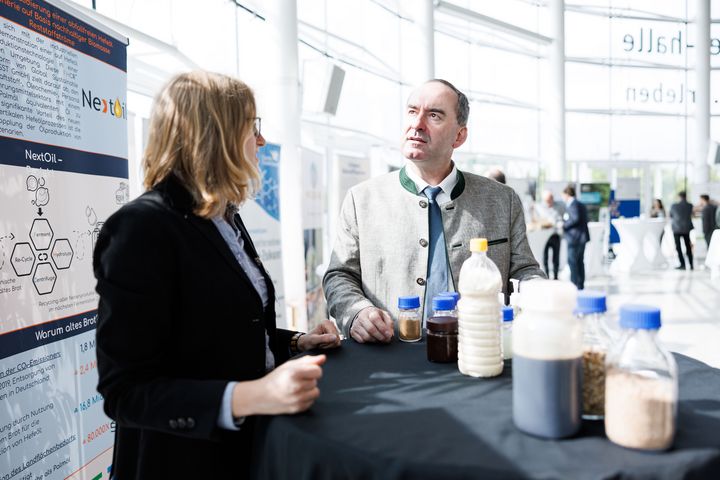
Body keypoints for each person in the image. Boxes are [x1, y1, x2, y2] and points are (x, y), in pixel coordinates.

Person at [93, 71, 341, 478]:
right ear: (216, 134)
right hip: (181, 462)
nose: (261, 141)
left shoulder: (223, 217)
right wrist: (252, 395)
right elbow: (126, 391)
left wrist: (295, 341)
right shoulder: (141, 228)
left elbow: (217, 331)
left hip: (243, 451)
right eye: (252, 126)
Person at [323, 79, 545, 343]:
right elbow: (339, 275)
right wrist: (357, 312)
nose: (417, 124)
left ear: (459, 136)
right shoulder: (362, 200)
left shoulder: (501, 200)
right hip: (392, 353)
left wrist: (546, 297)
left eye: (434, 115)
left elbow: (524, 272)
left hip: (479, 348)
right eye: (412, 111)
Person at [561, 184, 589, 290]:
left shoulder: (573, 204)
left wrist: (564, 224)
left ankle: (574, 285)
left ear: (567, 194)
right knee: (579, 262)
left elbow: (575, 218)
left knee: (573, 262)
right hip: (581, 238)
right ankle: (580, 285)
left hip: (575, 239)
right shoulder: (580, 204)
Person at [535, 190, 566, 280]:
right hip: (544, 236)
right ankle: (546, 276)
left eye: (550, 200)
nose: (548, 202)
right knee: (545, 257)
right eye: (546, 201)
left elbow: (564, 217)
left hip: (555, 235)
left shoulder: (560, 206)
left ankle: (556, 277)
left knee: (556, 258)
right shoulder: (540, 207)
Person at [669, 191, 694, 270]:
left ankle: (682, 264)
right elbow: (692, 214)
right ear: (685, 196)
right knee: (688, 247)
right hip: (686, 229)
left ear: (679, 197)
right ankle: (691, 264)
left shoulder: (674, 205)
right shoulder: (690, 205)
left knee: (678, 247)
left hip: (677, 229)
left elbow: (671, 215)